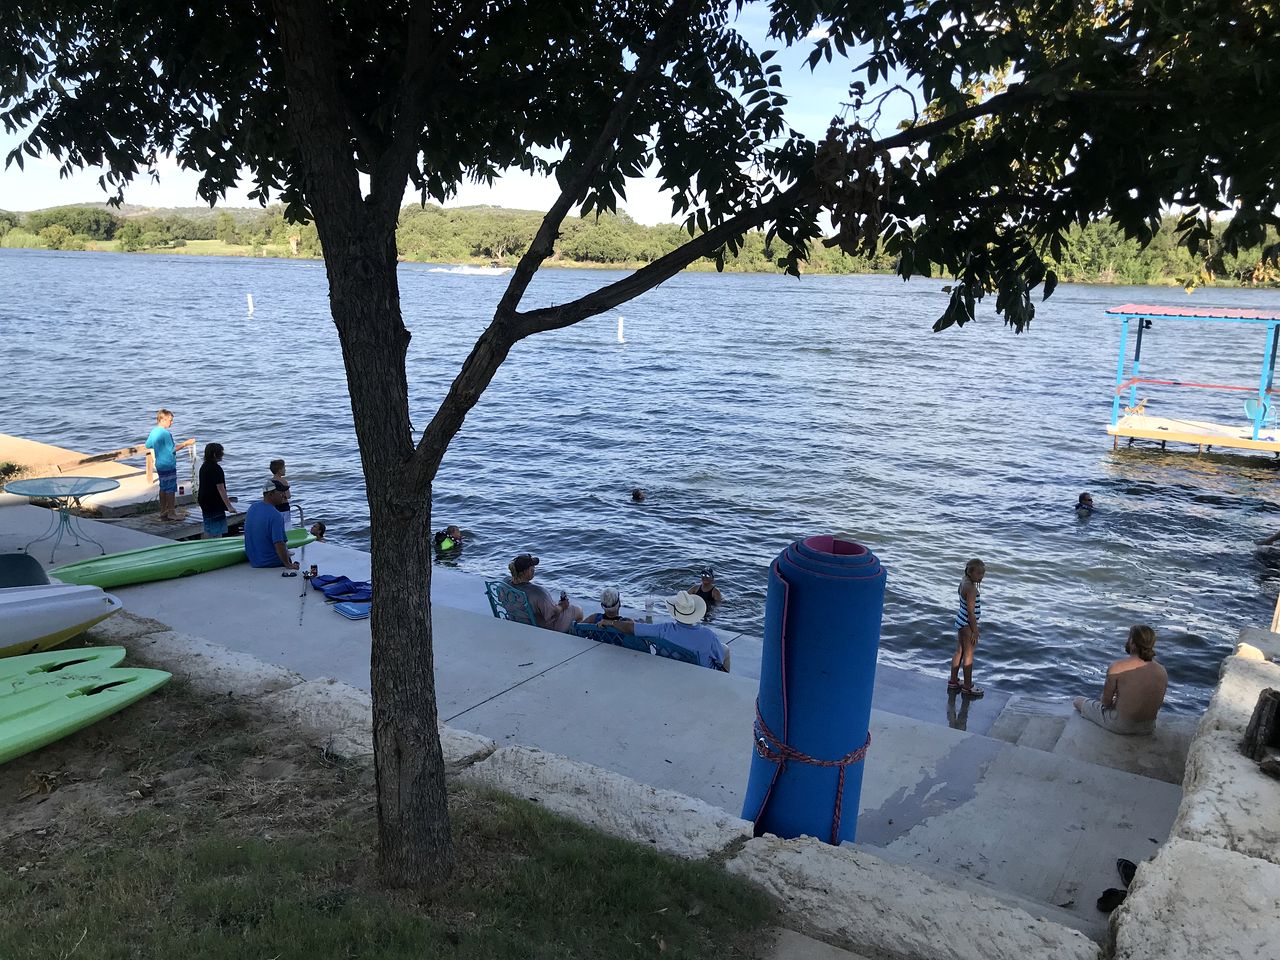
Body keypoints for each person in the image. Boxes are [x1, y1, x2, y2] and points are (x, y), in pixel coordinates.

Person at [1073, 625, 1168, 736]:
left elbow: (1106, 703)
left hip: (1122, 726)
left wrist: (1113, 702)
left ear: (1132, 642)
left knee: (1077, 701)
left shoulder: (1117, 667)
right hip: (1148, 727)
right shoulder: (1162, 670)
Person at [613, 591, 730, 672]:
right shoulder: (708, 636)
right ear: (695, 613)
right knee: (725, 649)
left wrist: (612, 622)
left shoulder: (663, 629)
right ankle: (724, 680)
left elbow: (630, 628)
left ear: (675, 613)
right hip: (701, 673)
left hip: (672, 667)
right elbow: (718, 661)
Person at [505, 553, 582, 633]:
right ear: (525, 572)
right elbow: (552, 613)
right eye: (532, 567)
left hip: (516, 620)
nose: (534, 568)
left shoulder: (505, 583)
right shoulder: (538, 592)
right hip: (541, 628)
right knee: (578, 610)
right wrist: (562, 605)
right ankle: (576, 636)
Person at [145, 408, 195, 521]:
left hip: (159, 464)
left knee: (163, 487)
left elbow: (148, 445)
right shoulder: (166, 433)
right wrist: (186, 443)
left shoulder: (154, 431)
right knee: (171, 489)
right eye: (170, 420)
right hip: (168, 464)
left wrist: (159, 447)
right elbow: (173, 449)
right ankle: (171, 513)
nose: (172, 423)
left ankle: (163, 511)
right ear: (163, 420)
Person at [947, 558, 986, 698]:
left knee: (960, 651)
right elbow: (971, 612)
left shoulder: (964, 582)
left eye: (983, 573)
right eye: (979, 573)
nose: (982, 576)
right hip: (967, 624)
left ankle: (953, 681)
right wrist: (975, 630)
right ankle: (968, 686)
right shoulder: (971, 589)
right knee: (969, 655)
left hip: (961, 620)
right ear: (970, 572)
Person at [244, 480, 299, 569]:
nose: (284, 496)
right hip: (270, 562)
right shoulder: (276, 515)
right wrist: (288, 564)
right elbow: (279, 543)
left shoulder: (253, 507)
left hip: (254, 560)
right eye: (281, 493)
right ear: (271, 494)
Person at [196, 442, 237, 539]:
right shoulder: (216, 468)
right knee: (217, 529)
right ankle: (216, 547)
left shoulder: (204, 466)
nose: (223, 454)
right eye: (221, 452)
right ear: (215, 454)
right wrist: (229, 506)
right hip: (213, 502)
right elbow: (221, 489)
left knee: (208, 526)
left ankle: (208, 545)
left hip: (204, 501)